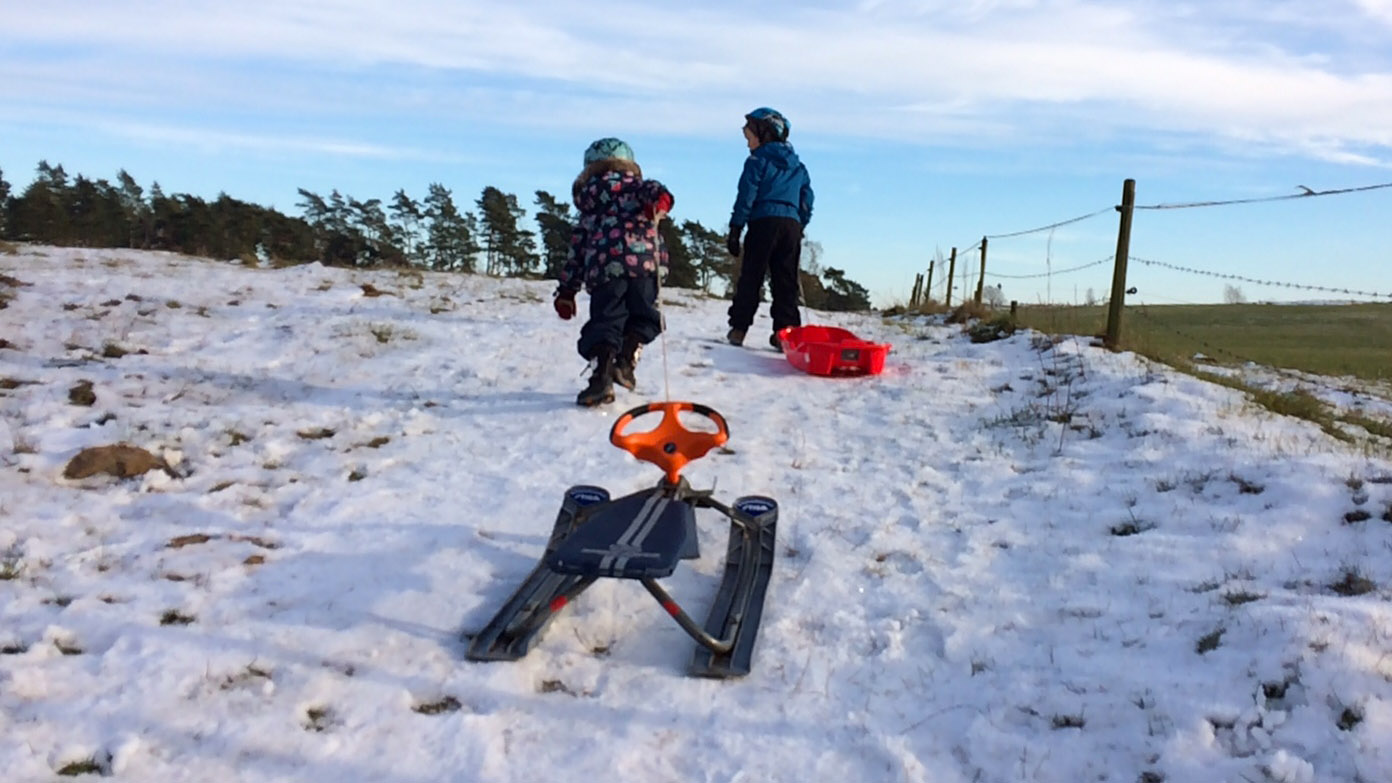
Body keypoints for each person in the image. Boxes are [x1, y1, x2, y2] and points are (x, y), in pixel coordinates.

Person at [554, 137, 674, 406]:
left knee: (606, 321)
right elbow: (655, 191)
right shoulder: (638, 187)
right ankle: (627, 358)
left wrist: (567, 290)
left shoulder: (590, 199)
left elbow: (578, 249)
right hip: (645, 266)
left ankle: (602, 377)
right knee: (644, 316)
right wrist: (660, 203)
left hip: (605, 267)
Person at [725, 107, 814, 350]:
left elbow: (747, 194)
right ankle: (785, 332)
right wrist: (799, 223)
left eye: (749, 136)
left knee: (752, 276)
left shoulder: (758, 160)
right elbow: (807, 200)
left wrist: (736, 227)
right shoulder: (799, 167)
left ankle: (739, 328)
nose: (747, 143)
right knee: (786, 279)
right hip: (791, 225)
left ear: (764, 134)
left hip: (763, 222)